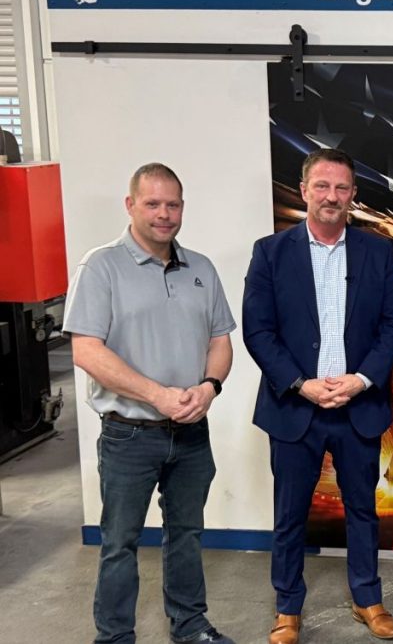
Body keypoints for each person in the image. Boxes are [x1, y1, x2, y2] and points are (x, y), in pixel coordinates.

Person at [63, 163, 236, 644]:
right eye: (153, 204)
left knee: (187, 534)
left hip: (191, 433)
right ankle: (115, 636)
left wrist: (208, 387)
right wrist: (158, 394)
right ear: (130, 205)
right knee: (119, 543)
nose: (165, 214)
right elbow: (87, 351)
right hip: (128, 434)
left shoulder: (200, 267)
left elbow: (221, 340)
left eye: (173, 204)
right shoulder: (100, 267)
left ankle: (190, 625)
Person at [242, 149, 393, 644]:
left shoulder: (376, 252)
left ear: (353, 195)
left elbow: (392, 324)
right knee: (290, 513)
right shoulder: (270, 252)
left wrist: (360, 380)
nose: (331, 196)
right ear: (305, 189)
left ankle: (368, 600)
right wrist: (301, 383)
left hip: (358, 406)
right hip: (296, 406)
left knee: (363, 510)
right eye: (322, 186)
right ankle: (288, 609)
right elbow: (258, 329)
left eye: (341, 188)